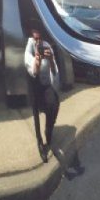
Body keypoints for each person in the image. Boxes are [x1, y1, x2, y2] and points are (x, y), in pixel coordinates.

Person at [24, 28, 61, 163]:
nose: (38, 42)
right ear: (31, 35)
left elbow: (55, 72)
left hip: (46, 84)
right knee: (35, 113)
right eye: (35, 38)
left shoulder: (47, 46)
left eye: (40, 38)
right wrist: (37, 60)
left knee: (54, 104)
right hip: (34, 84)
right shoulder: (29, 47)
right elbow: (33, 71)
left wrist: (50, 60)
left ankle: (48, 130)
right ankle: (40, 141)